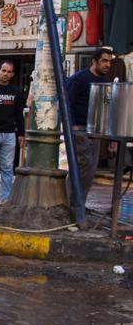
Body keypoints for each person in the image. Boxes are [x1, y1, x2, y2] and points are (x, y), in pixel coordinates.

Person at [65, 47, 114, 208]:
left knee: (90, 170)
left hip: (95, 131)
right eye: (104, 61)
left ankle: (79, 204)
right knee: (82, 165)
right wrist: (71, 126)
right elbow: (66, 102)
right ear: (94, 61)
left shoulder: (104, 81)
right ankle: (69, 203)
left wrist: (110, 137)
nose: (107, 65)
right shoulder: (79, 78)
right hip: (79, 129)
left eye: (109, 61)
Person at [0, 59, 25, 205]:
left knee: (7, 167)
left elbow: (19, 115)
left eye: (9, 72)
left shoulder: (16, 92)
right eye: (3, 70)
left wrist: (21, 134)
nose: (6, 74)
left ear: (12, 74)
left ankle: (5, 197)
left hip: (9, 133)